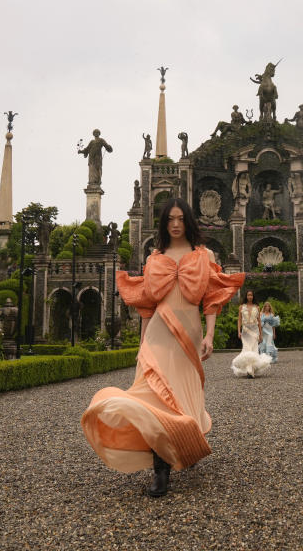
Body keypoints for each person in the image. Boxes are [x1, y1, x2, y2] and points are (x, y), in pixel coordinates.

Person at [81, 197, 244, 498]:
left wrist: (209, 335)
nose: (176, 224)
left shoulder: (203, 254)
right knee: (155, 396)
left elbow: (211, 299)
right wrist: (142, 346)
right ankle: (161, 470)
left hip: (189, 334)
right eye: (170, 219)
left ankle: (185, 442)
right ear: (163, 222)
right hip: (158, 331)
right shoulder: (155, 257)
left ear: (189, 221)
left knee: (182, 394)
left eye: (181, 218)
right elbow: (146, 306)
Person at [232, 290, 272, 378]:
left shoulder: (257, 307)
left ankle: (251, 370)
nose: (250, 297)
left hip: (255, 331)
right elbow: (239, 320)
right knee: (246, 349)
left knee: (254, 349)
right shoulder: (241, 307)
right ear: (246, 296)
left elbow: (259, 321)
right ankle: (249, 370)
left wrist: (261, 334)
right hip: (245, 331)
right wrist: (238, 331)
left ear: (253, 297)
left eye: (251, 295)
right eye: (248, 295)